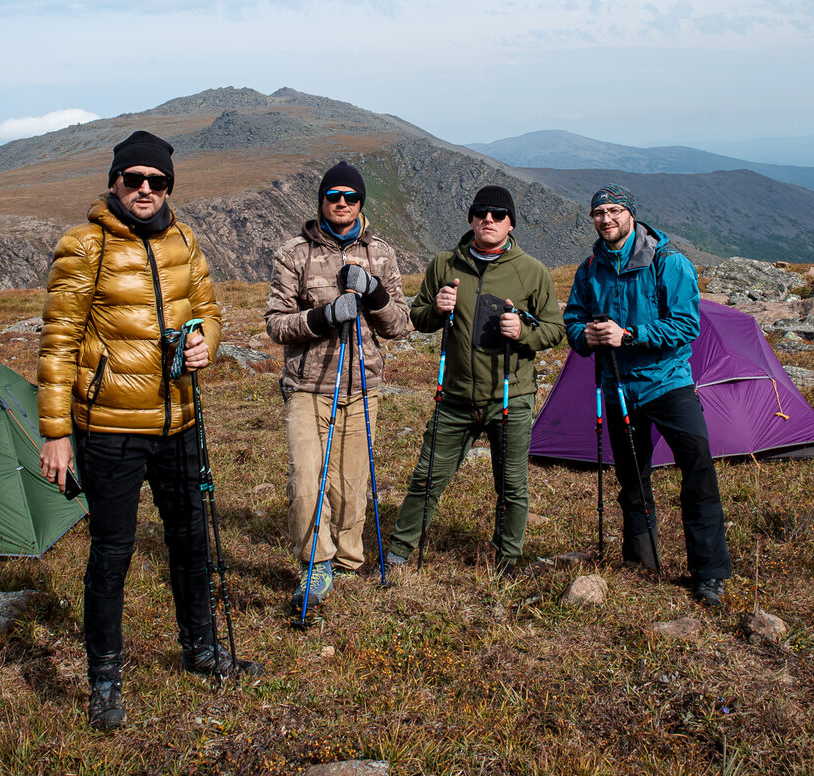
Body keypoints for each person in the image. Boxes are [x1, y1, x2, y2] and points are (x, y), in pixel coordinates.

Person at [37, 129, 259, 731]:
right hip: (108, 427)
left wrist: (204, 344)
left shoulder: (185, 240)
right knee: (113, 553)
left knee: (191, 538)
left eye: (156, 181)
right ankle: (104, 680)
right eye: (132, 179)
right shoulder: (83, 247)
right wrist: (56, 432)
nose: (144, 190)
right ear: (113, 182)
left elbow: (209, 311)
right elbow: (57, 343)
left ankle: (203, 649)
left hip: (180, 418)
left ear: (169, 188)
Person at [562, 184, 732, 608]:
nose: (607, 219)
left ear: (631, 214)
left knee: (698, 472)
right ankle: (642, 565)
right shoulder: (589, 269)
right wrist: (584, 334)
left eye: (615, 210)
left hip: (668, 383)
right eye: (599, 212)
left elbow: (686, 326)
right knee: (632, 481)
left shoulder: (667, 262)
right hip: (618, 388)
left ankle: (709, 573)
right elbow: (572, 321)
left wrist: (629, 334)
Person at [384, 185, 565, 574]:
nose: (489, 219)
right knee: (427, 476)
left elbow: (553, 330)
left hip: (511, 397)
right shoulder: (445, 263)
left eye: (498, 214)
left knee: (512, 486)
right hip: (454, 397)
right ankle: (399, 552)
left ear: (511, 223)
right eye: (481, 212)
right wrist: (435, 308)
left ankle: (507, 561)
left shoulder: (531, 271)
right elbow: (417, 317)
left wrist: (523, 333)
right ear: (470, 218)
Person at [264, 162, 412, 615]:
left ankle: (348, 556)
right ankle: (317, 562)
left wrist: (375, 294)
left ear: (361, 202)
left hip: (362, 386)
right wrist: (322, 317)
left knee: (352, 484)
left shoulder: (382, 254)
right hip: (309, 387)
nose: (342, 203)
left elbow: (400, 326)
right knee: (308, 480)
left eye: (350, 196)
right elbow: (275, 324)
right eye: (333, 196)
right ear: (322, 202)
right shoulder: (295, 252)